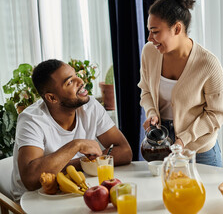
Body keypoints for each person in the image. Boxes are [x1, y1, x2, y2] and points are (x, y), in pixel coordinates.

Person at [10, 59, 132, 201]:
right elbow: (31, 180)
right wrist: (76, 145)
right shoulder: (32, 120)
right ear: (52, 98)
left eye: (76, 75)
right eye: (70, 82)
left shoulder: (91, 106)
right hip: (33, 200)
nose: (80, 81)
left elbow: (125, 151)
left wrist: (74, 164)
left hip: (73, 190)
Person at [138, 0, 223, 167]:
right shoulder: (149, 52)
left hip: (200, 150)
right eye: (149, 31)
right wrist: (152, 112)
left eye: (155, 32)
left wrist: (184, 139)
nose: (149, 38)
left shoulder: (208, 64)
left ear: (177, 29)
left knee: (205, 196)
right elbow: (145, 90)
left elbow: (215, 114)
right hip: (161, 145)